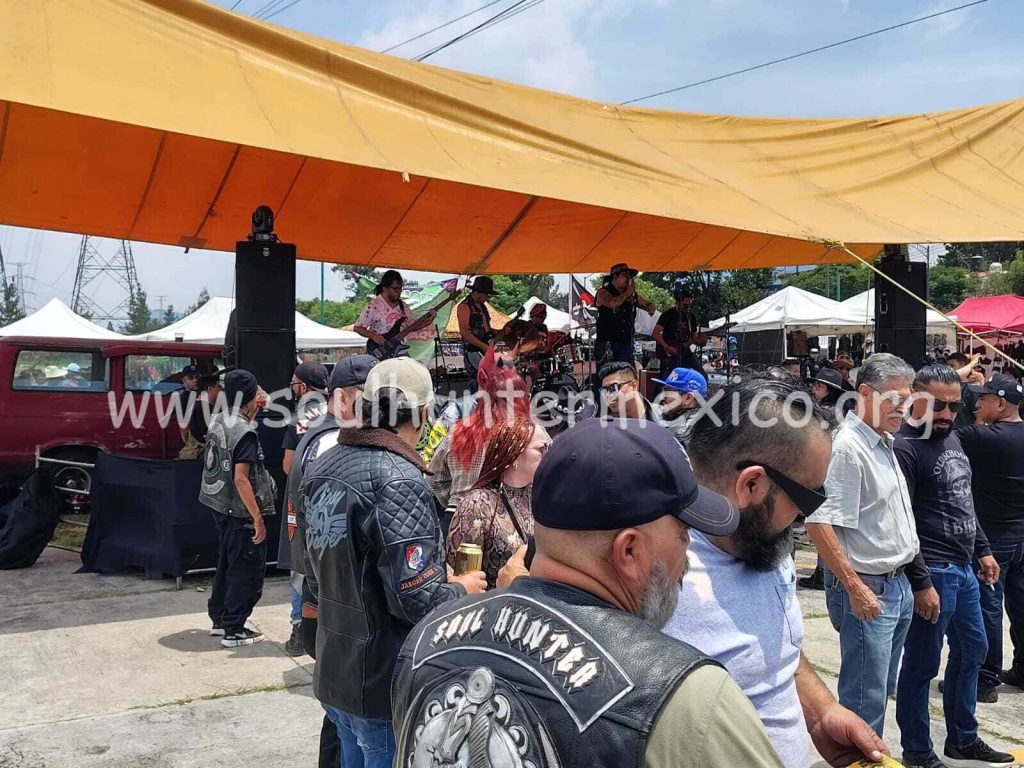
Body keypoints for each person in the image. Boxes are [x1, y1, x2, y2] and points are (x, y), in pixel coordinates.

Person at [393, 417, 792, 768]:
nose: (687, 556)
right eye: (684, 534)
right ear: (630, 551)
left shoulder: (426, 642)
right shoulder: (683, 699)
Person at [666, 378, 889, 768]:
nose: (806, 515)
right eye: (809, 496)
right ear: (752, 484)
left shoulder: (762, 540)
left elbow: (774, 647)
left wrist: (821, 712)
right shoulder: (655, 582)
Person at [301, 357, 486, 768]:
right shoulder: (398, 477)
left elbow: (313, 573)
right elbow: (416, 601)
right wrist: (463, 588)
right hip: (379, 681)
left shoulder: (325, 463)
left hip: (336, 669)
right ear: (424, 413)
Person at [891, 363, 1012, 768]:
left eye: (953, 406)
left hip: (963, 568)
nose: (945, 414)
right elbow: (903, 521)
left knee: (975, 648)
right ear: (914, 398)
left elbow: (963, 499)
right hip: (934, 570)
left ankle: (963, 738)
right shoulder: (905, 447)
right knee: (922, 664)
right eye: (936, 405)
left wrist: (983, 549)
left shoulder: (952, 438)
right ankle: (917, 751)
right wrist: (921, 581)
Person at [805, 353, 920, 736]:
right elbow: (819, 523)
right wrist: (855, 587)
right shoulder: (848, 448)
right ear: (866, 393)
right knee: (863, 700)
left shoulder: (881, 441)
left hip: (895, 584)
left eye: (907, 399)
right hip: (869, 587)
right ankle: (858, 758)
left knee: (879, 690)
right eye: (895, 399)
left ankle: (865, 754)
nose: (903, 408)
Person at [284, 354, 375, 768]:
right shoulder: (335, 440)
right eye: (369, 395)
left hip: (325, 588)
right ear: (343, 398)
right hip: (336, 593)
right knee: (346, 722)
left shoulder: (325, 435)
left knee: (340, 718)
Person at [199, 370, 277, 648]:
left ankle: (221, 619)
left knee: (228, 562)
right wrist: (257, 518)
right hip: (239, 509)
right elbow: (241, 479)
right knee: (246, 569)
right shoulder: (244, 433)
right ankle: (234, 628)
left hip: (218, 503)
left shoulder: (220, 418)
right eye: (259, 391)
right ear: (252, 398)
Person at [959, 373, 1024, 695]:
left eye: (982, 398)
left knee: (988, 608)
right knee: (1020, 606)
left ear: (1000, 404)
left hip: (993, 540)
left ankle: (986, 678)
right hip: (1021, 535)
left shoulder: (982, 437)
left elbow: (934, 432)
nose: (976, 403)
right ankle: (1021, 670)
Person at [446, 418, 550, 589]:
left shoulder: (541, 496)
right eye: (541, 448)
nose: (547, 455)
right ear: (515, 455)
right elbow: (461, 580)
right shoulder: (477, 505)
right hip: (495, 602)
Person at [428, 348, 530, 515]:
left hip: (462, 514)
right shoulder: (456, 411)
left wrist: (456, 502)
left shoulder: (526, 429)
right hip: (502, 514)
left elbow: (435, 477)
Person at [278, 361, 329, 657]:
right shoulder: (340, 412)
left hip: (301, 502)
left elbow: (288, 465)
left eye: (294, 382)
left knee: (300, 566)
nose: (292, 387)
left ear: (304, 386)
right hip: (336, 499)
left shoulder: (299, 417)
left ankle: (299, 629)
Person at [353, 269, 436, 357]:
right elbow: (358, 328)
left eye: (400, 288)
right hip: (379, 351)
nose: (399, 291)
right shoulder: (373, 306)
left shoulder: (403, 306)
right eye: (395, 288)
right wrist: (374, 336)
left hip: (400, 351)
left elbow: (412, 326)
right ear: (384, 287)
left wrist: (430, 320)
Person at [595, 262, 655, 364]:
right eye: (625, 275)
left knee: (626, 369)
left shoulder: (631, 295)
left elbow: (646, 304)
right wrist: (628, 292)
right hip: (607, 342)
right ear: (615, 277)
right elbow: (613, 303)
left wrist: (650, 306)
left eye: (630, 276)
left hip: (626, 340)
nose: (628, 279)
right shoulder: (603, 292)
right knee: (608, 370)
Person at [652, 287, 706, 382]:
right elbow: (655, 333)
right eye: (685, 305)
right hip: (669, 351)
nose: (688, 308)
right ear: (678, 302)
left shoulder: (691, 317)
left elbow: (694, 337)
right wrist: (667, 347)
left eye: (689, 305)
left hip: (684, 350)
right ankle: (659, 392)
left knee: (702, 375)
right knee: (666, 379)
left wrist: (700, 341)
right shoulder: (668, 314)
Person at [456, 275, 497, 390]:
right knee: (477, 381)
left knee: (490, 381)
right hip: (473, 351)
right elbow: (465, 332)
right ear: (478, 292)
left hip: (484, 348)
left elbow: (487, 329)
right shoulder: (464, 306)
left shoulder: (483, 307)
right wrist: (483, 346)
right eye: (487, 295)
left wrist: (500, 332)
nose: (488, 298)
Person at [653, 366, 707, 446]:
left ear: (688, 399)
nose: (662, 397)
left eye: (668, 392)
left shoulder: (685, 436)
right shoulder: (676, 417)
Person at [179, 375, 221, 459]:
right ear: (210, 389)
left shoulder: (195, 406)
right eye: (218, 387)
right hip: (202, 457)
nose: (221, 390)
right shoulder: (203, 409)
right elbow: (207, 436)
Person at [947, 352, 981, 429]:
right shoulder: (943, 386)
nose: (949, 369)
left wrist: (975, 434)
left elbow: (979, 418)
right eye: (947, 365)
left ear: (963, 366)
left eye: (952, 365)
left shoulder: (972, 389)